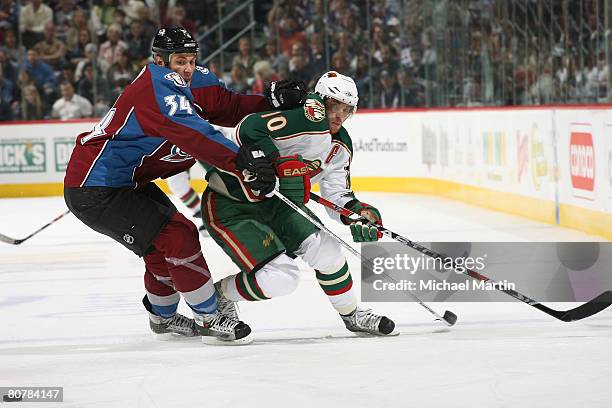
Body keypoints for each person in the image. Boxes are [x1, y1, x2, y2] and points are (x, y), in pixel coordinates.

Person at [63, 27, 306, 345]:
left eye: (191, 60)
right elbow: (196, 134)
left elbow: (227, 105)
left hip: (123, 182)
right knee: (179, 235)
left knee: (159, 248)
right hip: (98, 188)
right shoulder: (156, 89)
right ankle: (208, 316)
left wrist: (269, 101)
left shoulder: (193, 79)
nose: (188, 68)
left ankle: (162, 318)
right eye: (180, 61)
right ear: (159, 60)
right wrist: (243, 161)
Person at [201, 71, 397, 336]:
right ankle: (219, 297)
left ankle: (352, 314)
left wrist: (358, 213)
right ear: (319, 100)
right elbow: (246, 129)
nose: (339, 116)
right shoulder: (299, 117)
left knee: (328, 251)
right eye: (333, 106)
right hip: (233, 205)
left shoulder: (340, 144)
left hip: (281, 206)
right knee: (281, 279)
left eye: (346, 110)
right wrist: (269, 161)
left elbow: (337, 195)